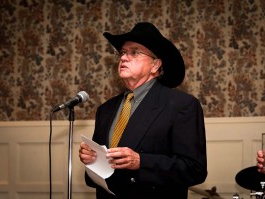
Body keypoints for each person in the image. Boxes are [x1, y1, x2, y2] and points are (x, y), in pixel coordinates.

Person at [79, 22, 207, 199]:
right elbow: (96, 177)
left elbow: (195, 170)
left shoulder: (182, 105)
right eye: (122, 53)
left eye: (134, 52)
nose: (123, 58)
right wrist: (93, 160)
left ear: (155, 65)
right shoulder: (105, 109)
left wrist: (141, 162)